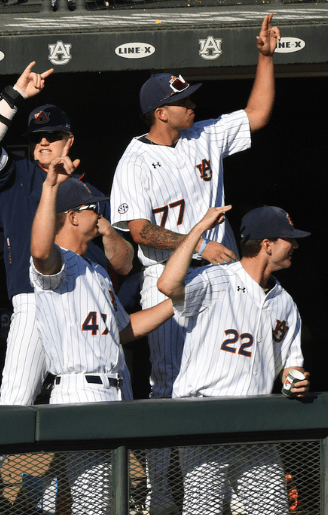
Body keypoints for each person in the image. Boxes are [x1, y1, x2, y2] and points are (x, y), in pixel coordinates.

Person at [0, 61, 134, 515]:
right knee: (15, 399)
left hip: (78, 315)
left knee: (98, 399)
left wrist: (103, 228)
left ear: (69, 141)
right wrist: (16, 94)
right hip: (33, 299)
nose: (43, 144)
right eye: (37, 138)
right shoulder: (19, 174)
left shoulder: (89, 195)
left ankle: (54, 491)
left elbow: (124, 263)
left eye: (52, 137)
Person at [23, 156, 173, 515]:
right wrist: (51, 189)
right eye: (93, 210)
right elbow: (40, 248)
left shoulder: (93, 271)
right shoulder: (58, 267)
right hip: (78, 393)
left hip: (109, 395)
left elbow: (125, 333)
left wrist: (178, 303)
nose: (100, 216)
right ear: (73, 216)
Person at [111, 14, 281, 400]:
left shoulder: (202, 134)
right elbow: (140, 230)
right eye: (181, 101)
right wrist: (200, 245)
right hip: (168, 279)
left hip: (221, 273)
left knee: (231, 369)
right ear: (161, 113)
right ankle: (161, 464)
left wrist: (266, 58)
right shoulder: (135, 161)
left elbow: (257, 115)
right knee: (172, 378)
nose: (191, 105)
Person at [156, 204, 309, 515]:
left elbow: (289, 363)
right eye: (288, 240)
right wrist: (200, 232)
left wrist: (295, 379)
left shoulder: (284, 301)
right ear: (266, 244)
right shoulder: (216, 281)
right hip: (205, 421)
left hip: (255, 430)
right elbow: (169, 283)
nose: (294, 247)